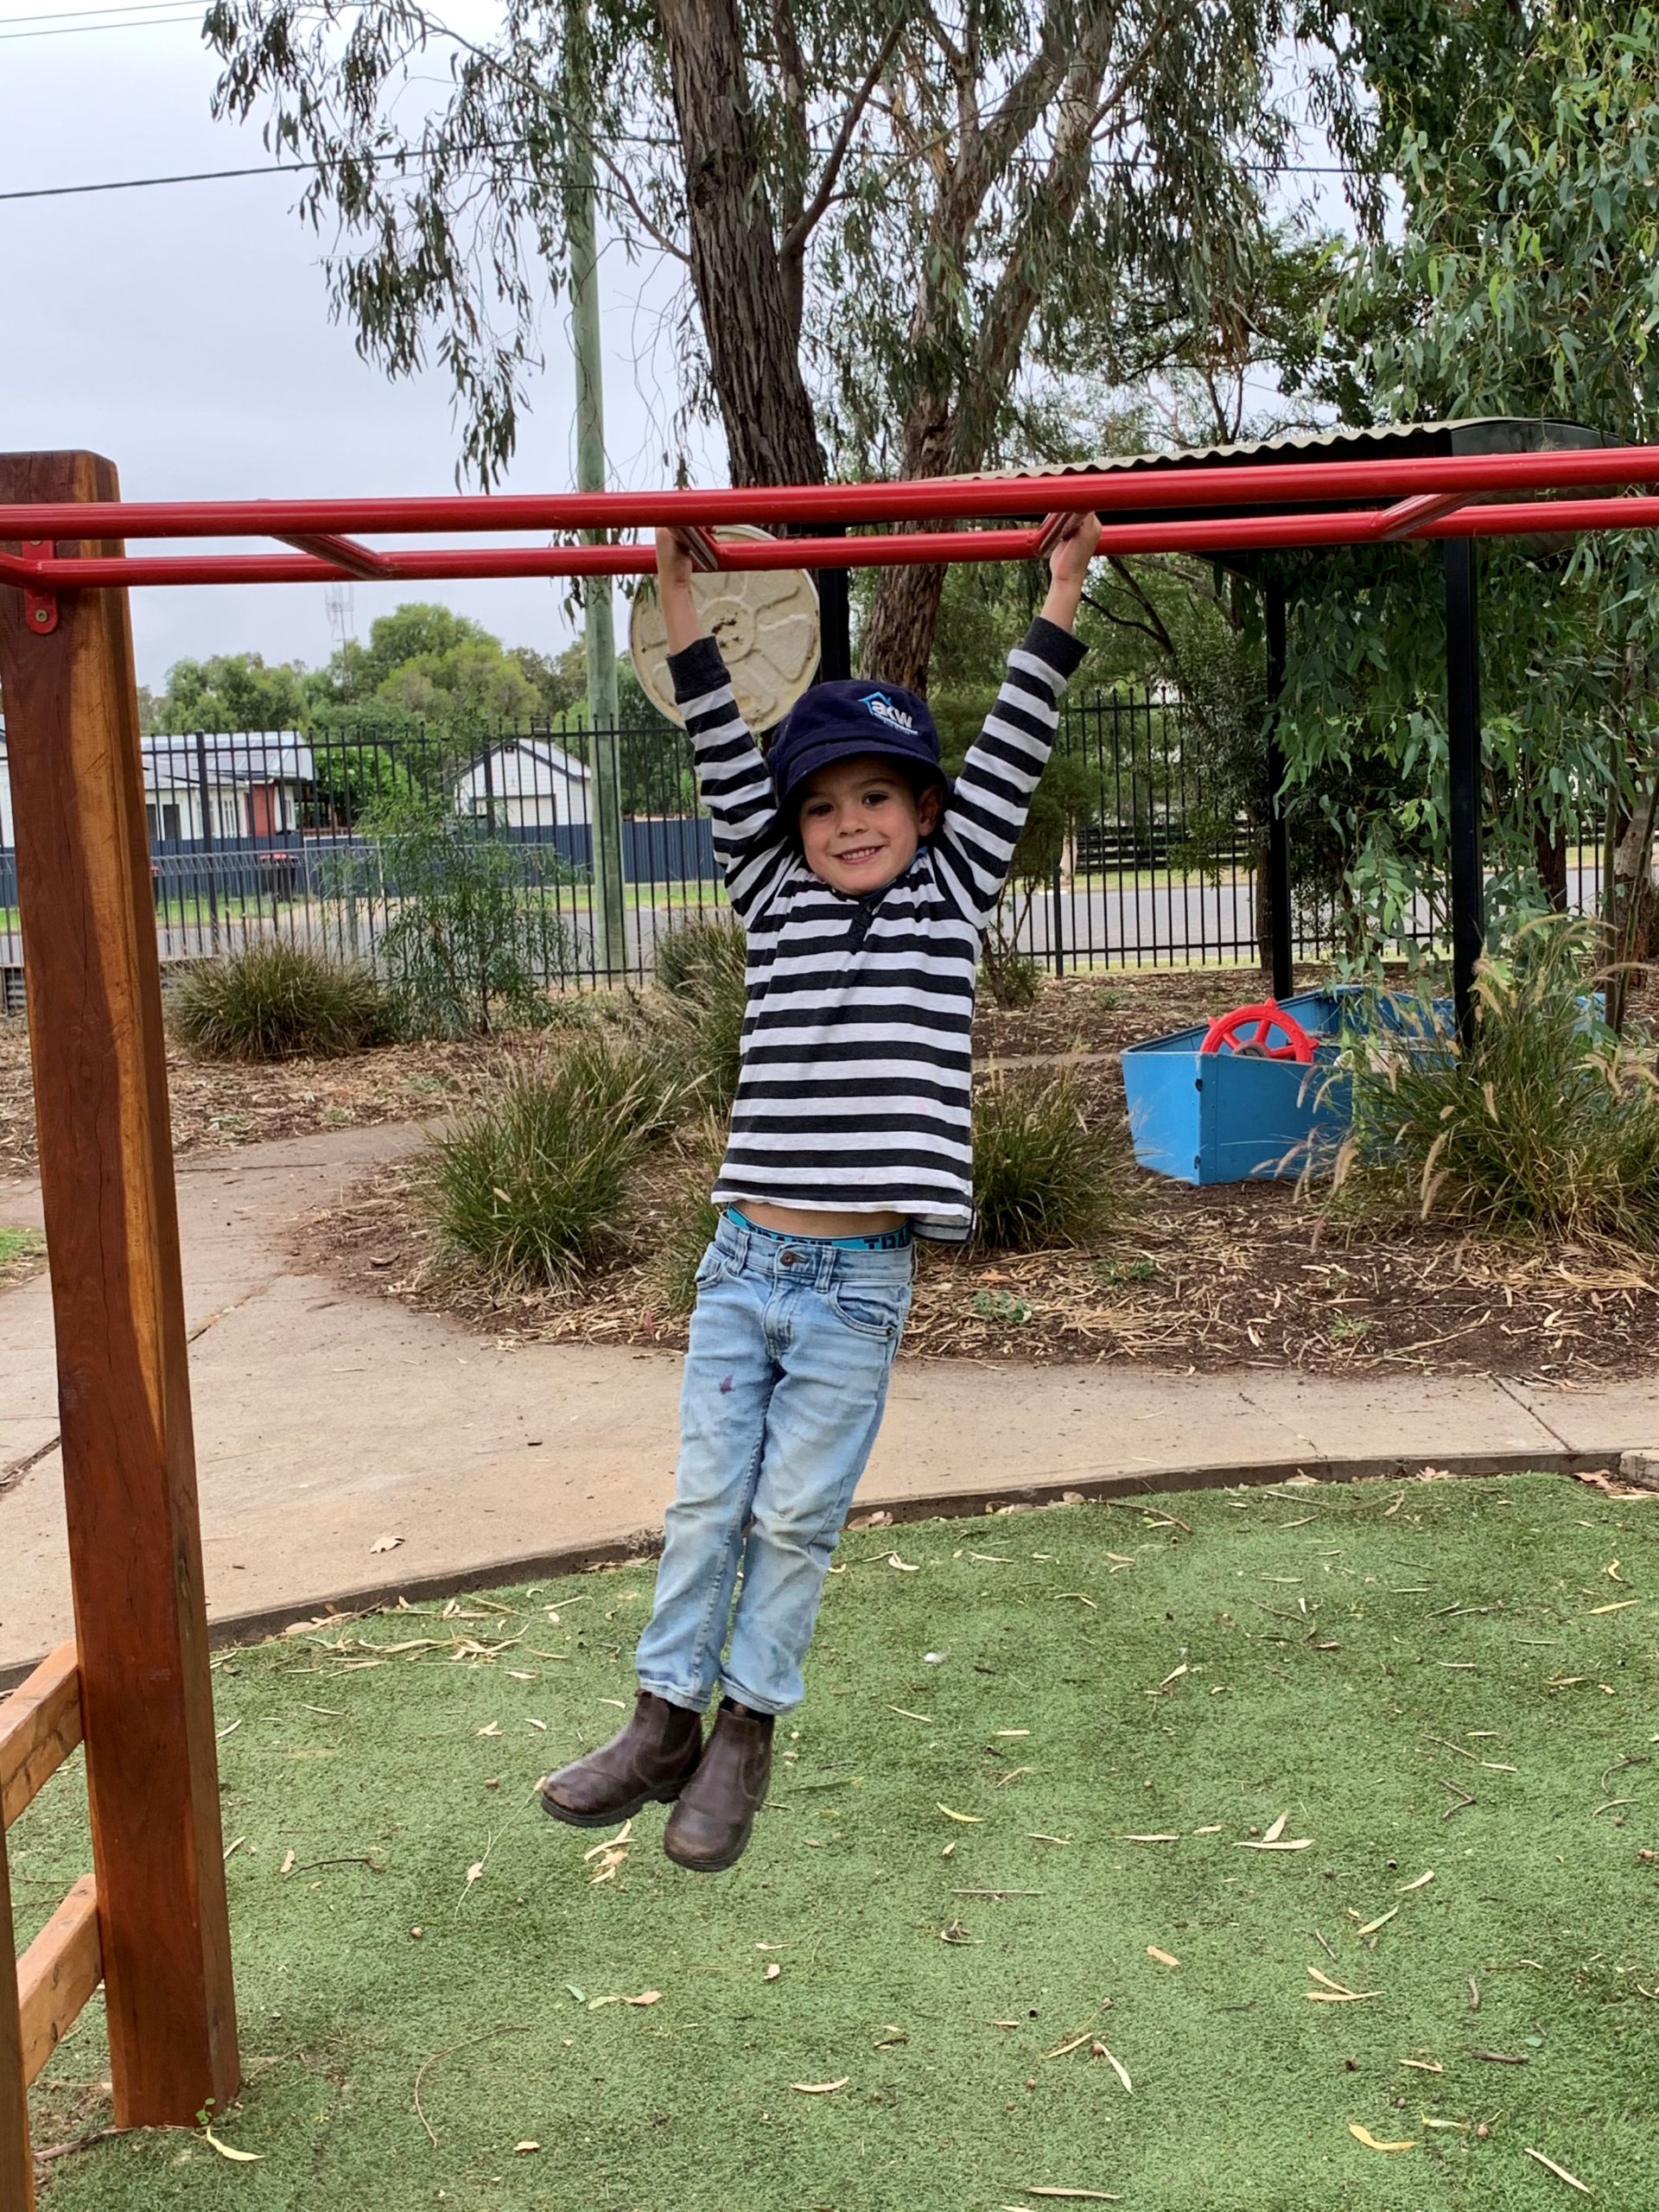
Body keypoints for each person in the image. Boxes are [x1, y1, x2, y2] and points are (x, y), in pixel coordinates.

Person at [540, 508, 1102, 1871]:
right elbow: (719, 740)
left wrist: (1065, 596)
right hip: (744, 1267)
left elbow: (1016, 739)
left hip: (855, 1286)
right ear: (793, 829)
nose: (850, 823)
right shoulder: (771, 893)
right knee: (703, 1503)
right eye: (826, 804)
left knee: (793, 1518)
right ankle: (661, 1715)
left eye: (879, 799)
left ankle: (746, 1733)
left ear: (925, 815)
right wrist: (678, 601)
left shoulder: (952, 894)